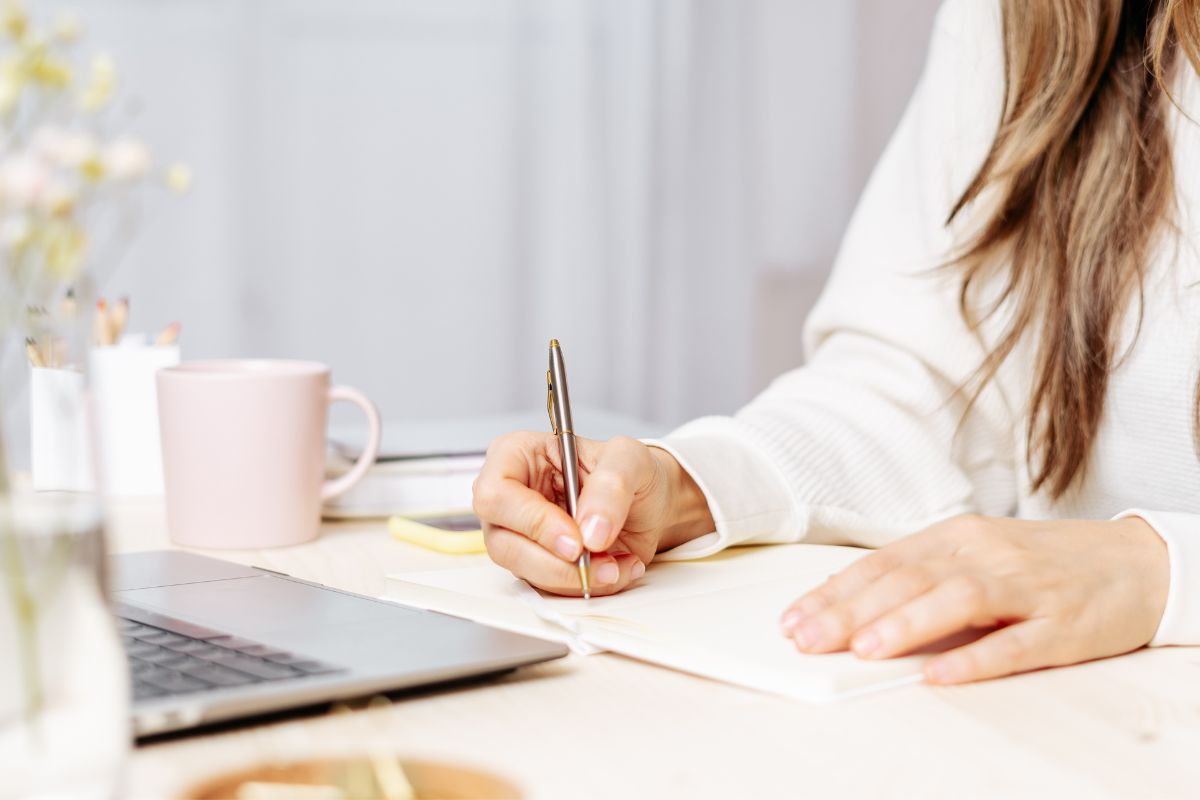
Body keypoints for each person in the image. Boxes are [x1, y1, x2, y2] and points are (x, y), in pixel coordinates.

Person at [471, 0, 1200, 685]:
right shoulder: (1027, 18)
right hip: (1071, 708)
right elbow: (916, 383)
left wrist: (1155, 569)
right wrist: (689, 487)